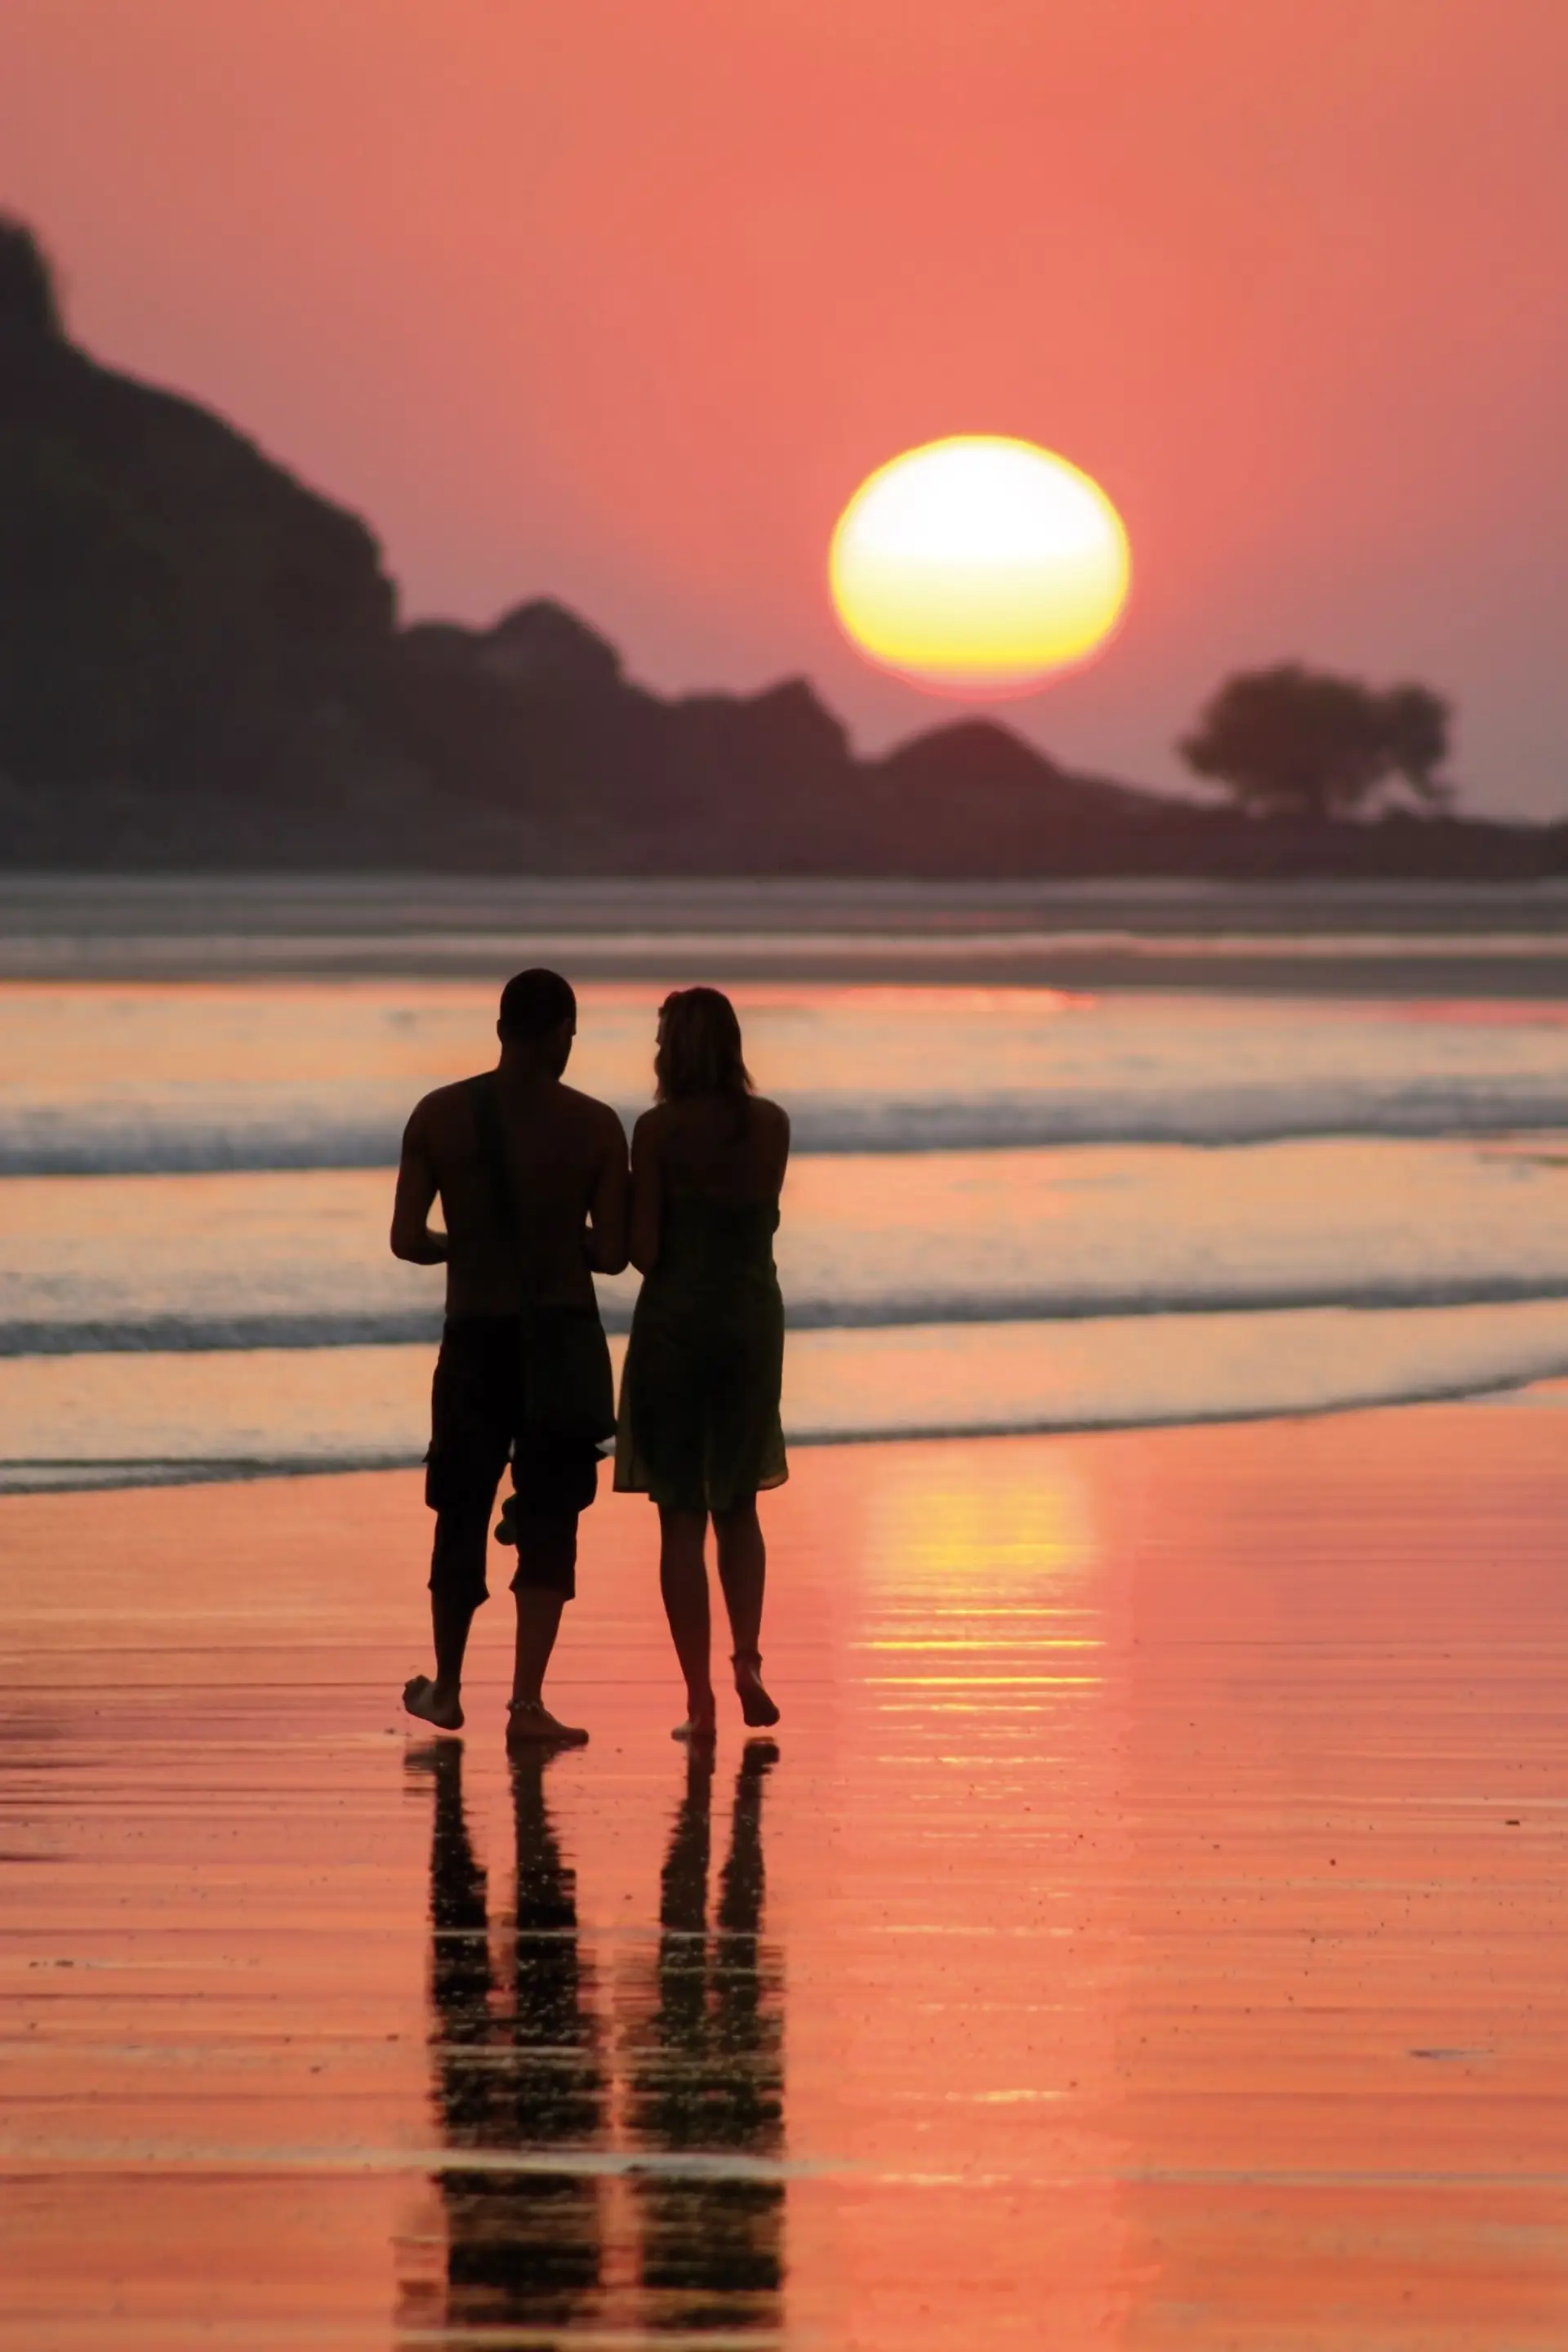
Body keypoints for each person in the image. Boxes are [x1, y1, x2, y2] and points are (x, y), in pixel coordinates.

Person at [391, 968, 629, 1746]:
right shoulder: (596, 1125)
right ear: (563, 1034)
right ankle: (527, 1704)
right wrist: (555, 1236)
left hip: (476, 1339)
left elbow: (406, 1240)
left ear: (499, 1030)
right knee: (551, 1516)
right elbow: (613, 1254)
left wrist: (467, 1243)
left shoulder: (438, 1114)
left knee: (459, 1510)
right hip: (562, 1340)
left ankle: (448, 1688)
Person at [615, 987, 789, 1740]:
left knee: (681, 1517)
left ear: (676, 1049)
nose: (656, 1051)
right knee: (739, 1504)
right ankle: (747, 1659)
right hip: (750, 1318)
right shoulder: (771, 1125)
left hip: (678, 1326)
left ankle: (699, 1700)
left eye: (662, 1039)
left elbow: (645, 1252)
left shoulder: (657, 1131)